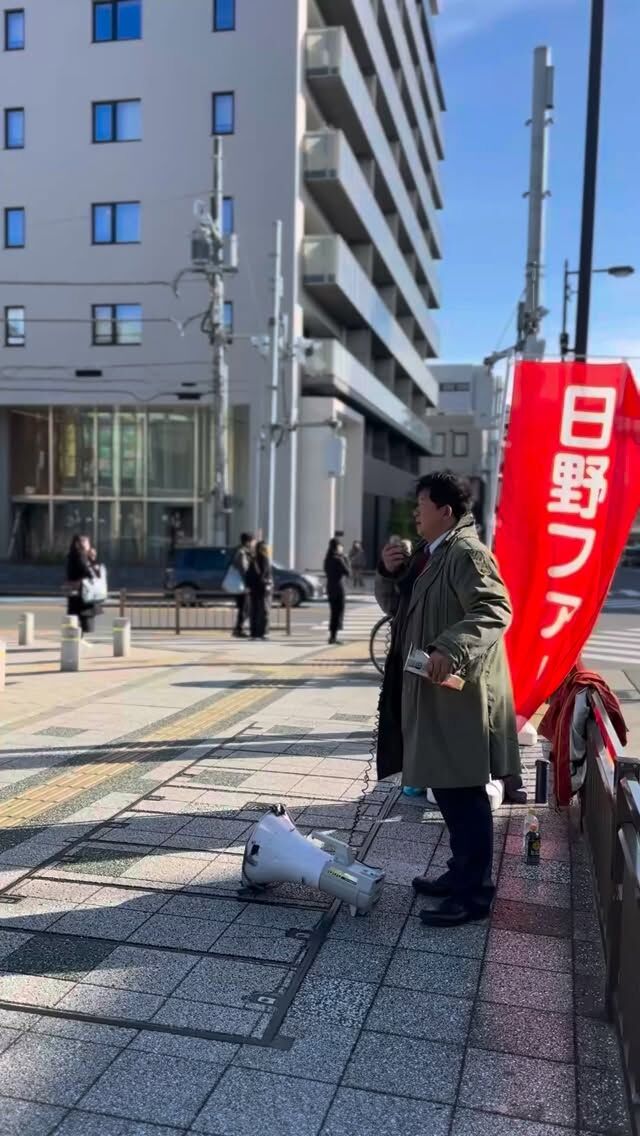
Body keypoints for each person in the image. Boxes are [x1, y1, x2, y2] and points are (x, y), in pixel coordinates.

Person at [375, 471, 521, 928]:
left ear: (446, 511)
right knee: (446, 785)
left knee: (463, 792)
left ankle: (474, 895)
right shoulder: (430, 554)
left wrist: (449, 647)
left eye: (422, 505)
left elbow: (496, 608)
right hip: (433, 691)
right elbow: (396, 609)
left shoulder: (467, 554)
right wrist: (391, 573)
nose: (416, 513)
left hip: (460, 696)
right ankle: (460, 874)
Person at [65, 534, 103, 638]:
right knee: (80, 618)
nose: (89, 546)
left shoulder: (76, 555)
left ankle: (75, 639)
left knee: (76, 618)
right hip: (81, 593)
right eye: (86, 543)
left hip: (77, 592)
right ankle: (75, 641)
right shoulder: (79, 556)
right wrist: (92, 558)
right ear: (79, 544)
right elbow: (90, 573)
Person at [324, 538, 350, 645]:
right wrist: (346, 559)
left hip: (330, 587)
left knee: (333, 612)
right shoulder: (339, 559)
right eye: (340, 546)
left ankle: (332, 637)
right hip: (339, 588)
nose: (342, 548)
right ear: (337, 547)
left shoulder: (327, 559)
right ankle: (334, 637)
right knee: (338, 612)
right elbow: (348, 572)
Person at [247, 540, 273, 640]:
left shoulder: (253, 559)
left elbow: (248, 575)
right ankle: (262, 632)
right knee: (264, 611)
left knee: (254, 611)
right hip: (263, 589)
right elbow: (266, 574)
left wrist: (249, 586)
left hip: (254, 589)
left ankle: (254, 633)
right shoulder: (265, 559)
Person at [231, 532, 254, 638]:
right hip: (243, 585)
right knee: (245, 607)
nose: (253, 543)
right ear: (248, 541)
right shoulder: (242, 552)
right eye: (252, 541)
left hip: (242, 584)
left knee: (244, 607)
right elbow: (243, 569)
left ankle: (239, 629)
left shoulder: (241, 551)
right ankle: (239, 629)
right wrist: (248, 583)